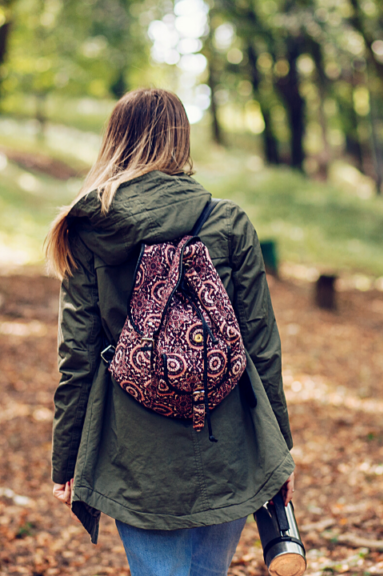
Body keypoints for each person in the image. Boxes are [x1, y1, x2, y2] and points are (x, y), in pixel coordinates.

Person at [44, 88, 295, 576]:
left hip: (134, 451)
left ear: (116, 140)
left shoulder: (90, 228)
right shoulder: (229, 222)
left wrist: (67, 456)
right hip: (231, 440)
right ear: (180, 138)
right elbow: (261, 345)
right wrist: (279, 447)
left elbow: (77, 353)